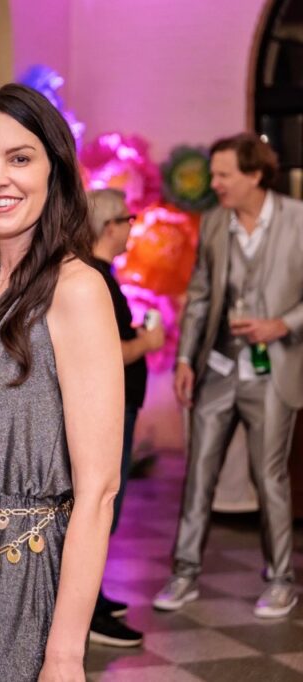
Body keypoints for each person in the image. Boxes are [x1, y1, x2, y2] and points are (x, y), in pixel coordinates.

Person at [0, 84, 123, 681]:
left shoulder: (76, 288)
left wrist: (64, 653)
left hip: (26, 576)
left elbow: (100, 490)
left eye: (19, 158)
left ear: (54, 170)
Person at [154, 132, 303, 618]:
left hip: (273, 370)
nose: (213, 183)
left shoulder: (298, 221)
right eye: (214, 174)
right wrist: (183, 358)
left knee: (270, 476)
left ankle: (281, 580)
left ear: (255, 175)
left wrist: (283, 323)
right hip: (216, 369)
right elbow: (199, 296)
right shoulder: (215, 223)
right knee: (198, 475)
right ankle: (184, 573)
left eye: (223, 175)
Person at [86, 188, 165, 647]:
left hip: (118, 406)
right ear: (109, 226)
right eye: (128, 219)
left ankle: (94, 596)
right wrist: (148, 343)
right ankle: (89, 609)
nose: (132, 227)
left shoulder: (102, 276)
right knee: (102, 509)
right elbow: (108, 352)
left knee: (105, 508)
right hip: (109, 408)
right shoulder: (94, 278)